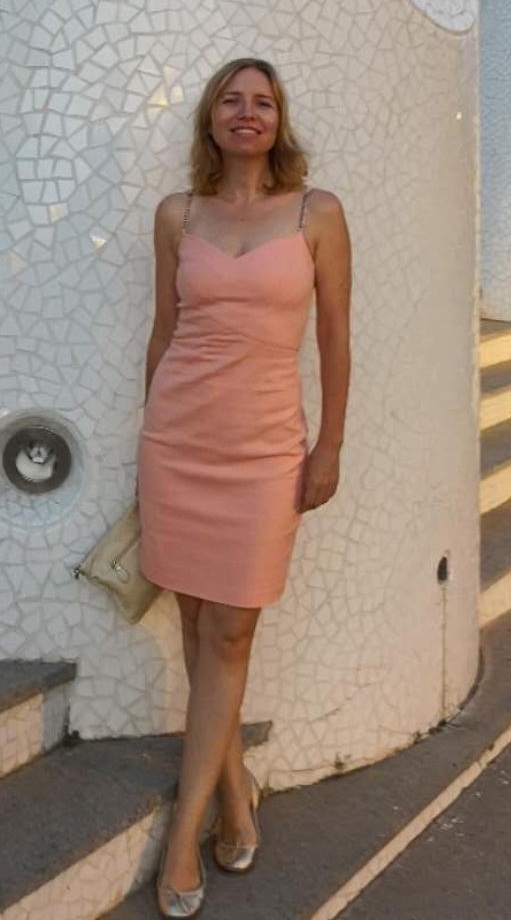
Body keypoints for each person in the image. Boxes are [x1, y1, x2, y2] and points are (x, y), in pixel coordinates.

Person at [136, 56, 351, 917]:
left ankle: (181, 836)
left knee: (230, 630)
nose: (247, 112)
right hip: (178, 441)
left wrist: (328, 445)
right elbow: (163, 333)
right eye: (232, 99)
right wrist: (146, 439)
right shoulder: (177, 215)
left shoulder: (316, 212)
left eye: (262, 101)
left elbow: (335, 339)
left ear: (278, 119)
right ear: (212, 118)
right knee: (197, 624)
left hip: (265, 451)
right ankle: (233, 790)